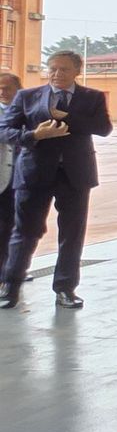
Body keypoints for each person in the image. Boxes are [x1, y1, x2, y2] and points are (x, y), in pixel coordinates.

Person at [0, 51, 113, 310]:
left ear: (77, 71)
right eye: (52, 69)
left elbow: (104, 128)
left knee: (72, 234)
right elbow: (4, 130)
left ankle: (65, 289)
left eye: (63, 69)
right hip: (33, 175)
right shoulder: (27, 97)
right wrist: (35, 135)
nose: (56, 74)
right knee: (24, 232)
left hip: (75, 176)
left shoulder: (92, 97)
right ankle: (10, 286)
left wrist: (67, 117)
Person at [0, 74, 21, 286]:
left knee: (20, 227)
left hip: (23, 177)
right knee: (2, 227)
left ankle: (14, 269)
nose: (2, 92)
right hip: (1, 179)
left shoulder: (28, 110)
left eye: (7, 88)